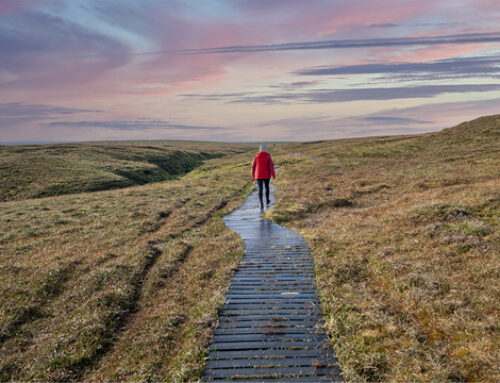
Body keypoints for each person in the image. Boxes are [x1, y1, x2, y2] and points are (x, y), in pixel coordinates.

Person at [251, 144, 276, 208]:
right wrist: (273, 175)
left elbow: (253, 167)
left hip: (258, 175)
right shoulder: (268, 157)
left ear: (260, 149)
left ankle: (261, 203)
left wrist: (253, 176)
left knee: (260, 189)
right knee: (267, 187)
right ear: (265, 149)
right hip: (267, 175)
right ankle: (267, 200)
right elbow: (271, 167)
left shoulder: (256, 157)